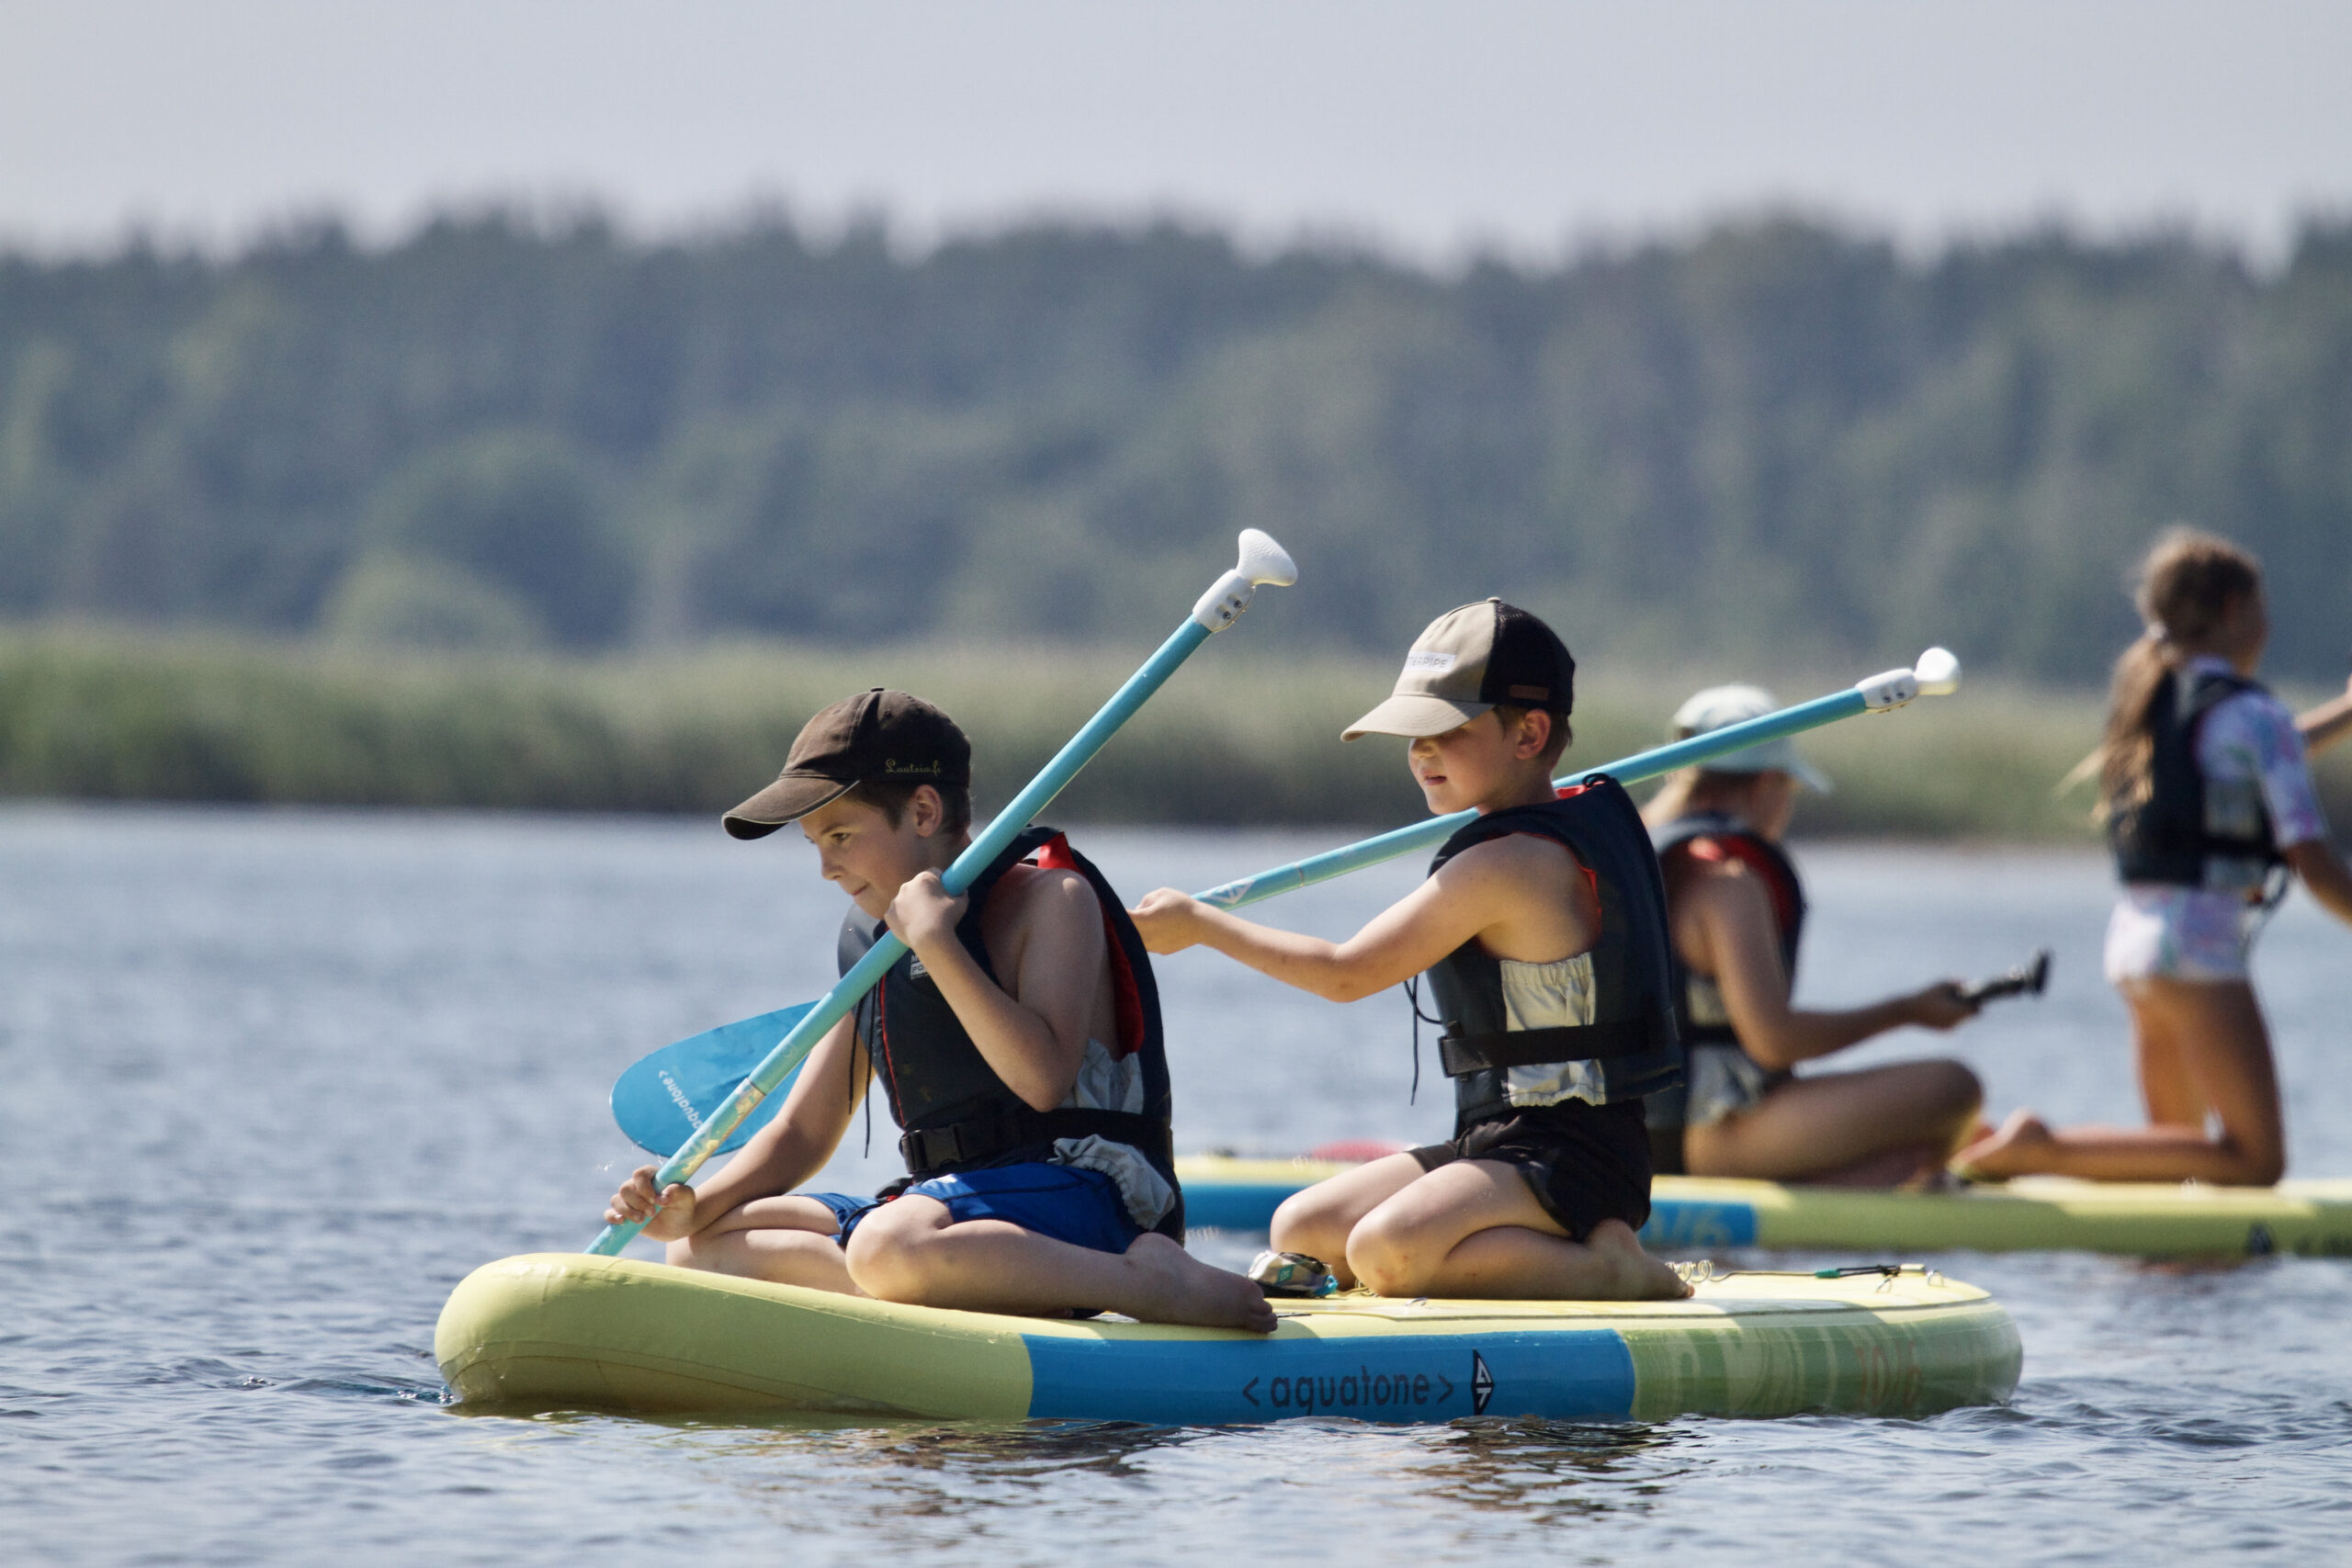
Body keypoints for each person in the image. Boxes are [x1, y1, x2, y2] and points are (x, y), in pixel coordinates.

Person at [604, 687, 1275, 1331]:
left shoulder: (1053, 901)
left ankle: (1143, 1281)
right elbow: (803, 1133)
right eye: (816, 844)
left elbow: (1042, 1079)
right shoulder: (874, 942)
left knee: (885, 1245)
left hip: (1086, 1194)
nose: (827, 868)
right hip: (953, 1209)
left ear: (924, 812)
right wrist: (692, 1205)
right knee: (697, 1248)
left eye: (841, 835)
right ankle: (931, 1283)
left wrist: (936, 943)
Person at [1131, 600, 1691, 1301]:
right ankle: (1522, 1251)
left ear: (1529, 733)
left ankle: (1610, 1265)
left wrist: (1201, 924)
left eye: (1445, 731)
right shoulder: (1525, 834)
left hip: (1578, 1154)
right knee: (1301, 1226)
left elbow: (1347, 974)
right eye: (1412, 735)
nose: (1422, 752)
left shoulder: (1510, 862)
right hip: (1500, 1137)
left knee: (1382, 1249)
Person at [1959, 528, 2352, 1184]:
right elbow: (2313, 862)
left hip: (2135, 947)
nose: (2268, 626)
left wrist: (2345, 712)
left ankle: (2035, 1155)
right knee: (2257, 1161)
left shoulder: (2151, 701)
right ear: (2233, 610)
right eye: (2262, 610)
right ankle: (2040, 1147)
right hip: (2199, 953)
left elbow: (2266, 748)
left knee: (2178, 1152)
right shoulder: (2255, 715)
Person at [1639, 687, 1982, 1187]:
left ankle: (1882, 1180)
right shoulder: (1728, 882)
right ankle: (1872, 1184)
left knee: (1911, 1151)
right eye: (1790, 789)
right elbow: (1773, 1042)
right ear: (1768, 784)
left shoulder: (1631, 853)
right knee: (1954, 1087)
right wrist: (1907, 1010)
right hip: (1710, 1137)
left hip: (1628, 1133)